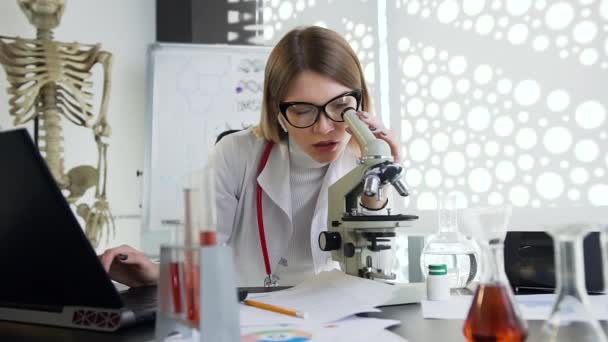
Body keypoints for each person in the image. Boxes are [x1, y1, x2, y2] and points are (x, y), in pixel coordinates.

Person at [99, 26, 401, 287]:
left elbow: (377, 273)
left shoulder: (370, 160)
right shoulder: (235, 154)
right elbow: (201, 259)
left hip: (339, 321)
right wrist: (154, 273)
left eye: (340, 107)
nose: (324, 127)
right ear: (277, 111)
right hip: (251, 316)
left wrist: (379, 186)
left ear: (360, 102)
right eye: (302, 110)